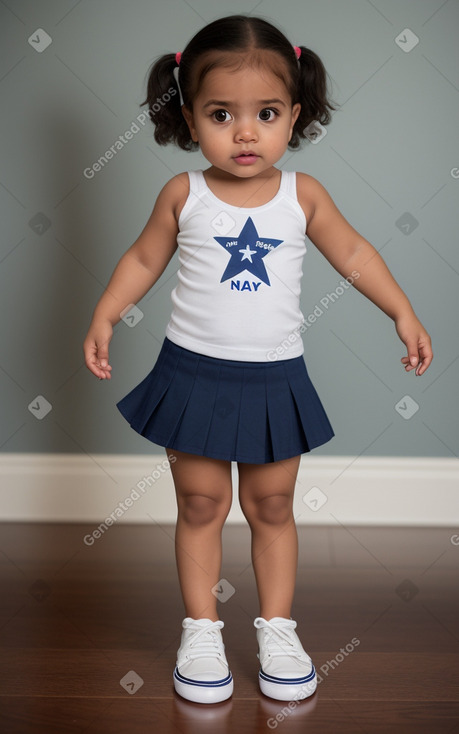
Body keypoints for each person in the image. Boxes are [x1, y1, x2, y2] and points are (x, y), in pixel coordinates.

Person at [83, 14, 433, 706]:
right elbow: (145, 258)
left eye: (265, 113)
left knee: (271, 504)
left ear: (294, 115)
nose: (245, 133)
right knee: (201, 502)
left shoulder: (303, 196)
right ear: (189, 119)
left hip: (274, 377)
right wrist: (105, 312)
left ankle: (276, 627)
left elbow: (355, 254)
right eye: (221, 114)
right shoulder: (184, 195)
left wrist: (400, 310)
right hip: (192, 374)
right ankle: (202, 630)